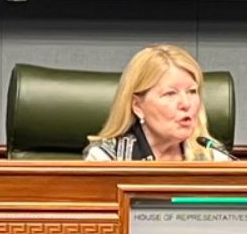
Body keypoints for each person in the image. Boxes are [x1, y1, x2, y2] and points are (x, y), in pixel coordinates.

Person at [84, 45, 231, 161]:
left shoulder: (214, 156)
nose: (186, 104)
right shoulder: (106, 159)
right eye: (170, 94)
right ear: (137, 106)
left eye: (192, 91)